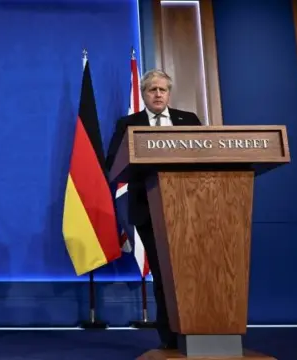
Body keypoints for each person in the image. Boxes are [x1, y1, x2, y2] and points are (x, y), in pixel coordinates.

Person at [105, 69, 202, 350]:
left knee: (192, 271)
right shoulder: (129, 123)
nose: (158, 94)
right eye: (152, 90)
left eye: (162, 90)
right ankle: (170, 337)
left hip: (191, 208)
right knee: (163, 273)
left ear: (169, 94)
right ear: (144, 94)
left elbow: (205, 155)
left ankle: (198, 328)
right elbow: (113, 162)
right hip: (149, 208)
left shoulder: (189, 121)